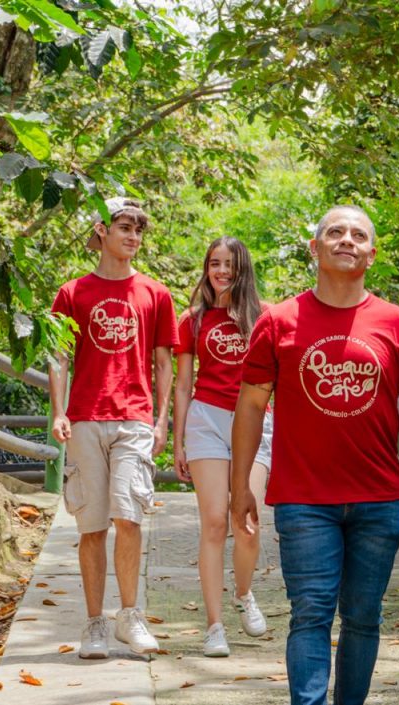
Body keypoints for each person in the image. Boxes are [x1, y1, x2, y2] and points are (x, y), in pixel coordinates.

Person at [229, 205, 399, 705]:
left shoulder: (398, 323)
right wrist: (239, 487)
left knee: (363, 616)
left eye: (358, 234)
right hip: (303, 498)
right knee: (311, 613)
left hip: (377, 498)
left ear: (371, 253)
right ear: (314, 248)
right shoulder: (279, 321)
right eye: (335, 232)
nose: (347, 240)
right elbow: (251, 405)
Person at [48, 197, 179, 658]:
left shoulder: (155, 293)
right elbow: (59, 355)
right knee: (91, 525)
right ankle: (95, 624)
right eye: (125, 227)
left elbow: (164, 363)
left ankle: (130, 616)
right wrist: (58, 411)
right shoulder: (72, 293)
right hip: (85, 416)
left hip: (134, 418)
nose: (133, 237)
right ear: (102, 230)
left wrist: (161, 420)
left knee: (129, 517)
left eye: (139, 230)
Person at [172, 236, 272, 657]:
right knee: (214, 523)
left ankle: (243, 594)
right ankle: (214, 626)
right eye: (215, 263)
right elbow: (182, 384)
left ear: (242, 268)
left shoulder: (265, 318)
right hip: (207, 421)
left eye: (229, 264)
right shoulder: (192, 319)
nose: (222, 271)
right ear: (206, 267)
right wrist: (177, 440)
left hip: (256, 421)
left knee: (245, 522)